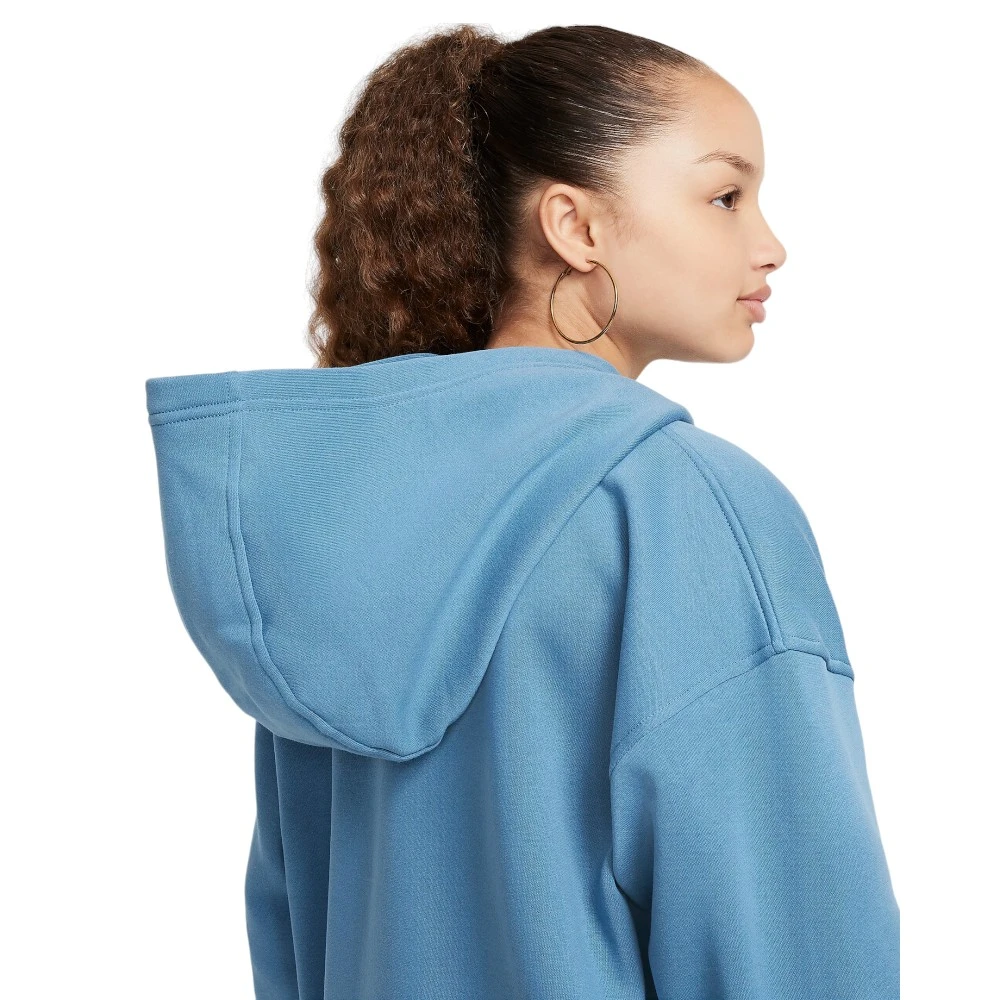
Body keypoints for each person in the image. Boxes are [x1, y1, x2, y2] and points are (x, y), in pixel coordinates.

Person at [145, 23, 899, 1000]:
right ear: (574, 227)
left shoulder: (332, 539)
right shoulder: (680, 507)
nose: (770, 245)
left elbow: (296, 936)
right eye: (724, 196)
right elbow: (792, 946)